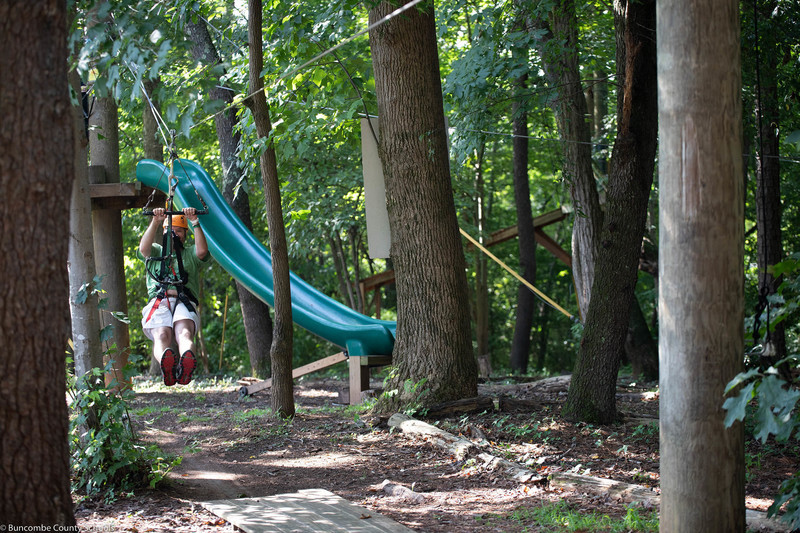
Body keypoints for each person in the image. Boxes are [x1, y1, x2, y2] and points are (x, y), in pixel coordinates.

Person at [138, 207, 210, 386]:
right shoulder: (156, 252)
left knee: (184, 333)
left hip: (183, 300)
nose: (174, 234)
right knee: (162, 334)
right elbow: (143, 249)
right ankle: (167, 365)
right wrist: (156, 221)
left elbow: (202, 252)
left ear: (185, 235)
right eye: (171, 230)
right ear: (164, 232)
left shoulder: (189, 254)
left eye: (179, 231)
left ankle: (186, 360)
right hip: (159, 301)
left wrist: (194, 222)